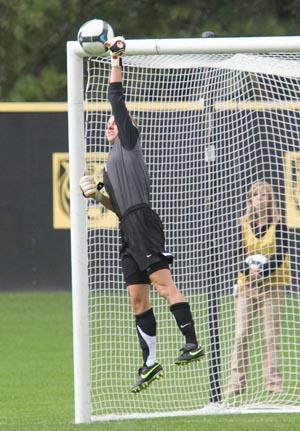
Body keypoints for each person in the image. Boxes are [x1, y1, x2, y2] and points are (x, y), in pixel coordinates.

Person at [79, 36, 204, 393]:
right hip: (126, 225)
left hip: (142, 220)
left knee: (164, 286)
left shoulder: (130, 141)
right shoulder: (108, 167)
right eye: (108, 125)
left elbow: (116, 98)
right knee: (137, 296)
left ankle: (192, 343)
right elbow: (115, 207)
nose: (110, 125)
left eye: (114, 123)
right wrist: (96, 193)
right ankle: (149, 362)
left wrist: (116, 59)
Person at [224, 180, 291, 397]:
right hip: (247, 287)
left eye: (263, 196)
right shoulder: (242, 224)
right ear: (250, 200)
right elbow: (235, 256)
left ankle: (273, 383)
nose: (259, 200)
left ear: (270, 200)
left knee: (270, 336)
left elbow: (280, 255)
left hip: (272, 286)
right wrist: (248, 270)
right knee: (241, 334)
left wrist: (262, 270)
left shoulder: (279, 225)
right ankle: (236, 384)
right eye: (255, 195)